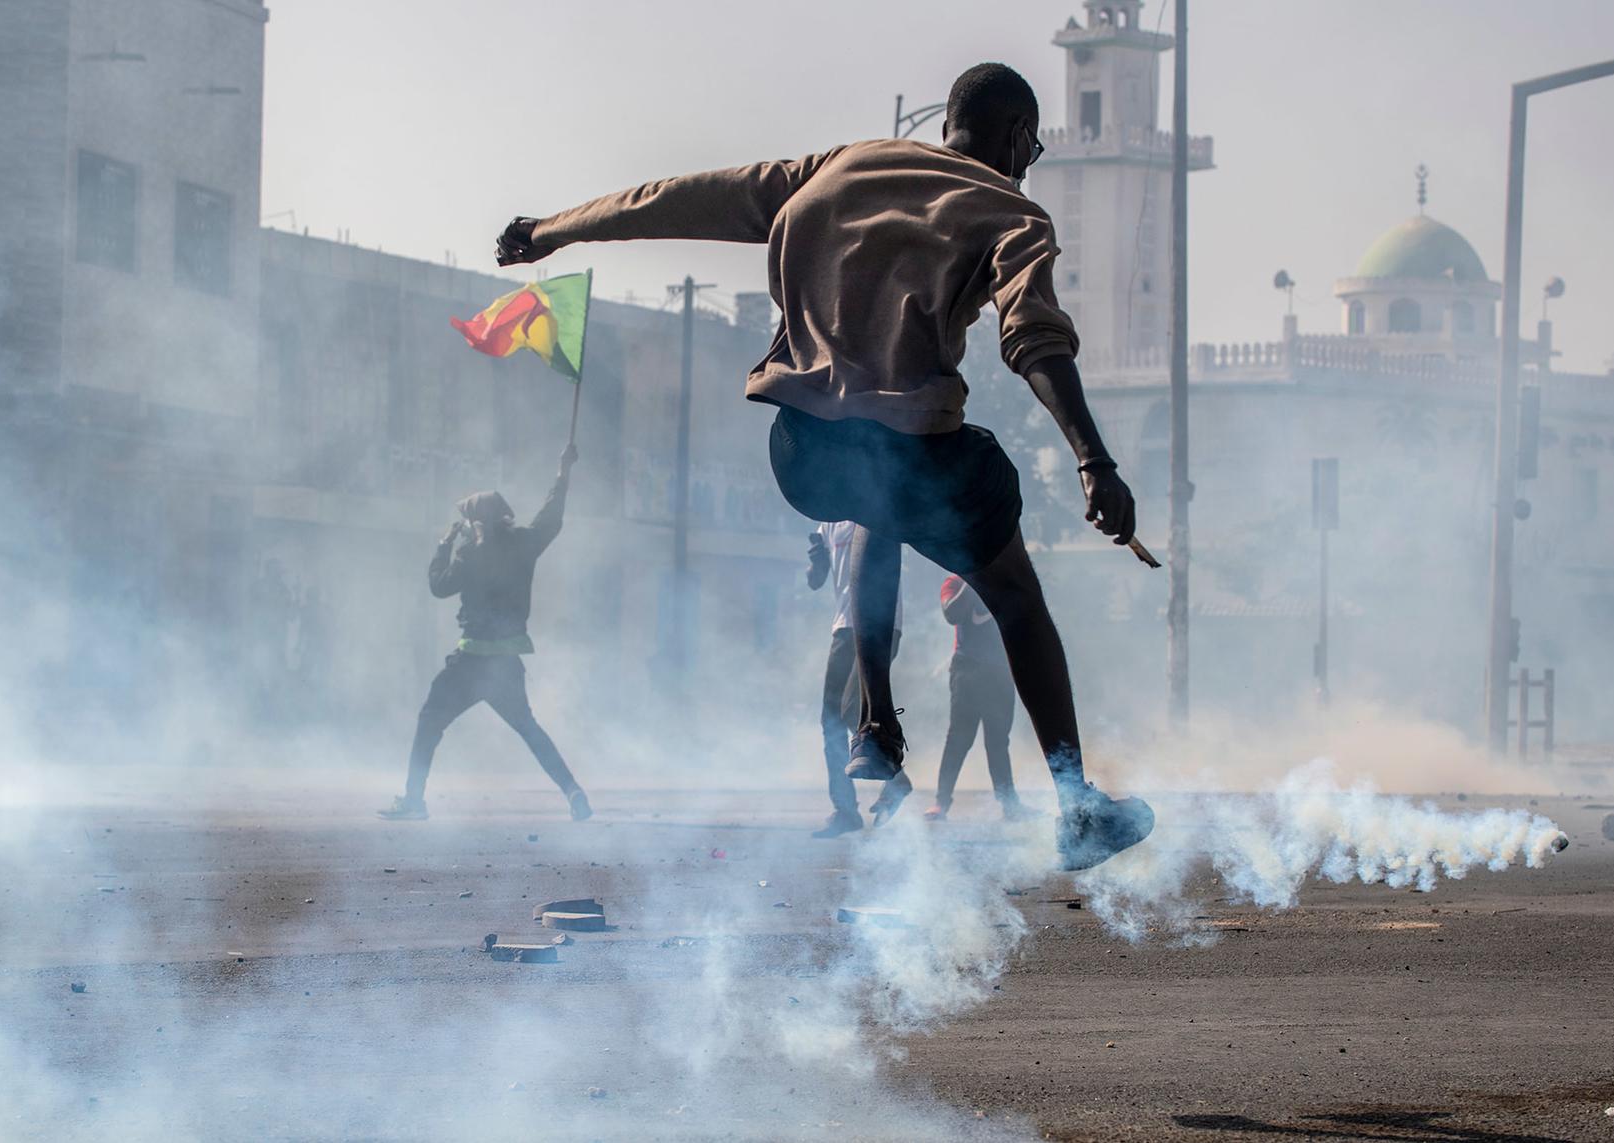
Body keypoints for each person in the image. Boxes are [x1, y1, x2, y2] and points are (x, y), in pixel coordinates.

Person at [491, 63, 1151, 869]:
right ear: (1016, 138)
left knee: (880, 500)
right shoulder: (1011, 210)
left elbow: (671, 200)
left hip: (801, 453)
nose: (1030, 160)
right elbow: (1035, 338)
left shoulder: (832, 168)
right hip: (911, 448)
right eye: (1033, 146)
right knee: (1011, 590)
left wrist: (552, 230)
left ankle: (874, 718)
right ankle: (1078, 807)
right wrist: (1094, 458)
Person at [378, 446, 592, 822]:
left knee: (430, 719)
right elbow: (551, 519)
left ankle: (414, 800)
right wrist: (562, 474)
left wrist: (444, 545)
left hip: (472, 661)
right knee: (529, 730)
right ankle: (574, 791)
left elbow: (438, 586)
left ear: (478, 522)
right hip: (506, 663)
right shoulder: (524, 544)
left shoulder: (470, 554)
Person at [805, 521, 906, 838]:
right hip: (843, 627)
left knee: (852, 710)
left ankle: (896, 781)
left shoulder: (876, 511)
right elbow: (814, 582)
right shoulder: (827, 525)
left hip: (880, 625)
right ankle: (845, 810)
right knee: (831, 719)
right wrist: (817, 560)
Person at [915, 575, 1035, 822]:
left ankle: (1010, 805)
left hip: (1000, 671)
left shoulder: (1005, 580)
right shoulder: (954, 583)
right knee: (958, 740)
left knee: (998, 742)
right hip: (967, 670)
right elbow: (952, 615)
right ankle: (941, 802)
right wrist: (973, 579)